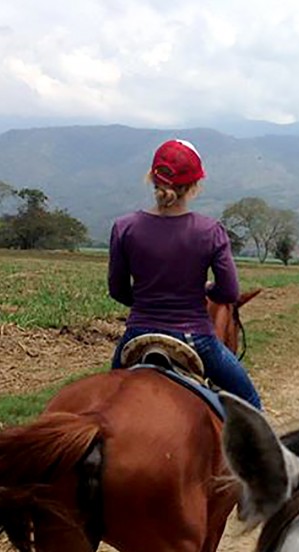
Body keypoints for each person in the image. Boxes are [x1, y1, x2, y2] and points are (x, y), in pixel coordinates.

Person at [107, 138, 262, 410]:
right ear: (194, 186)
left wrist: (148, 301)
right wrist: (206, 289)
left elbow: (118, 290)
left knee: (106, 404)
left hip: (137, 335)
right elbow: (229, 293)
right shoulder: (210, 231)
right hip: (194, 338)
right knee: (250, 401)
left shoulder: (124, 228)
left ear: (151, 178)